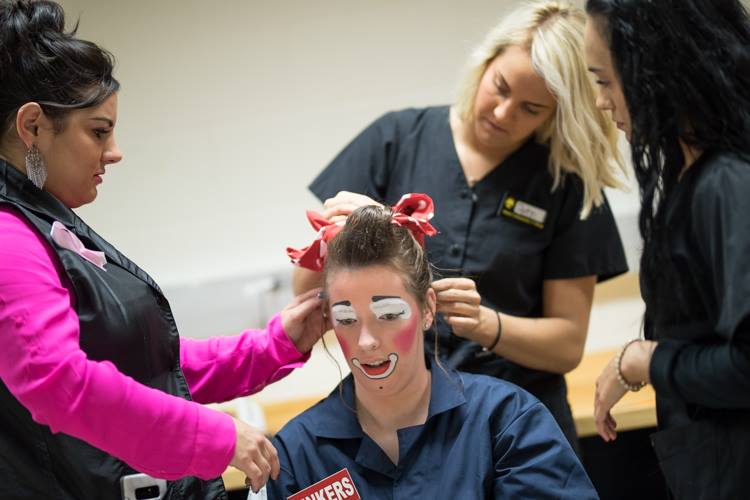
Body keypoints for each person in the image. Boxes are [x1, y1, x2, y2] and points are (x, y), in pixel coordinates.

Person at [0, 1, 326, 498]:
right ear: (33, 127)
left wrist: (274, 346)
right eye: (99, 131)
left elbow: (147, 366)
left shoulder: (44, 222)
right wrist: (208, 433)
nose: (114, 152)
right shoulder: (8, 235)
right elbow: (59, 383)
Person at [292, 0, 628, 451]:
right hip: (398, 419)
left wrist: (488, 325)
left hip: (514, 421)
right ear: (485, 63)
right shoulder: (396, 140)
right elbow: (306, 292)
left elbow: (567, 345)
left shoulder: (563, 184)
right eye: (500, 87)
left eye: (531, 108)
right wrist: (341, 233)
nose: (504, 113)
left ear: (555, 114)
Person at [267, 201, 598, 499]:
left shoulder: (505, 421)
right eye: (347, 319)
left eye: (389, 315)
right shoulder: (297, 454)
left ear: (427, 309)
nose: (366, 340)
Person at [584, 0, 750, 497]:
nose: (601, 101)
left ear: (658, 71)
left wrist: (643, 360)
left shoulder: (727, 185)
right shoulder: (692, 181)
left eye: (605, 80)